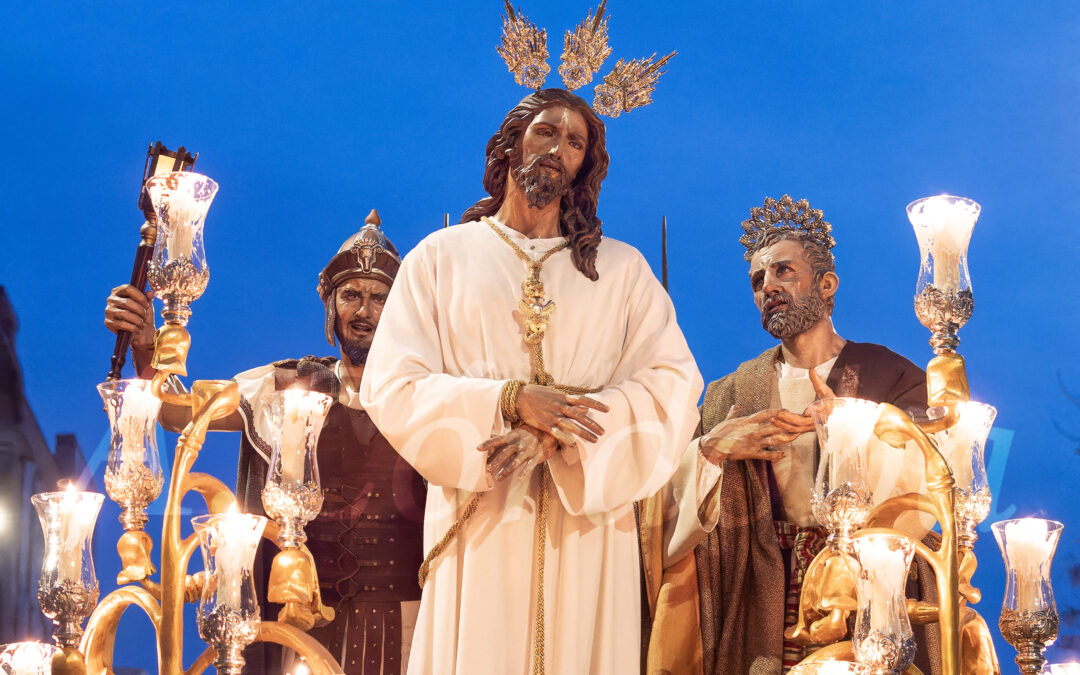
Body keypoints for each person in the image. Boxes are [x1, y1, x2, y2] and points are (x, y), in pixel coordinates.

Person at [358, 88, 703, 674]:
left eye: (575, 142)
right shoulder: (439, 259)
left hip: (590, 527)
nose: (557, 148)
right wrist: (508, 401)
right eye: (545, 131)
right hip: (479, 516)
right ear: (512, 142)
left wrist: (557, 435)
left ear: (585, 165)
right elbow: (392, 383)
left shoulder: (622, 271)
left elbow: (671, 387)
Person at [104, 211, 426, 675]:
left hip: (408, 625)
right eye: (351, 295)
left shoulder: (424, 393)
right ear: (330, 306)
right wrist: (146, 343)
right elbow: (178, 413)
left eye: (379, 298)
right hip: (304, 624)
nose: (364, 311)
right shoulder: (285, 386)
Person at [640, 195, 936, 675]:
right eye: (758, 280)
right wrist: (712, 450)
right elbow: (665, 507)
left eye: (783, 271)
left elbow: (933, 478)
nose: (768, 287)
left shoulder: (891, 374)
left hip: (862, 586)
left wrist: (851, 426)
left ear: (827, 284)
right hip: (758, 589)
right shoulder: (731, 392)